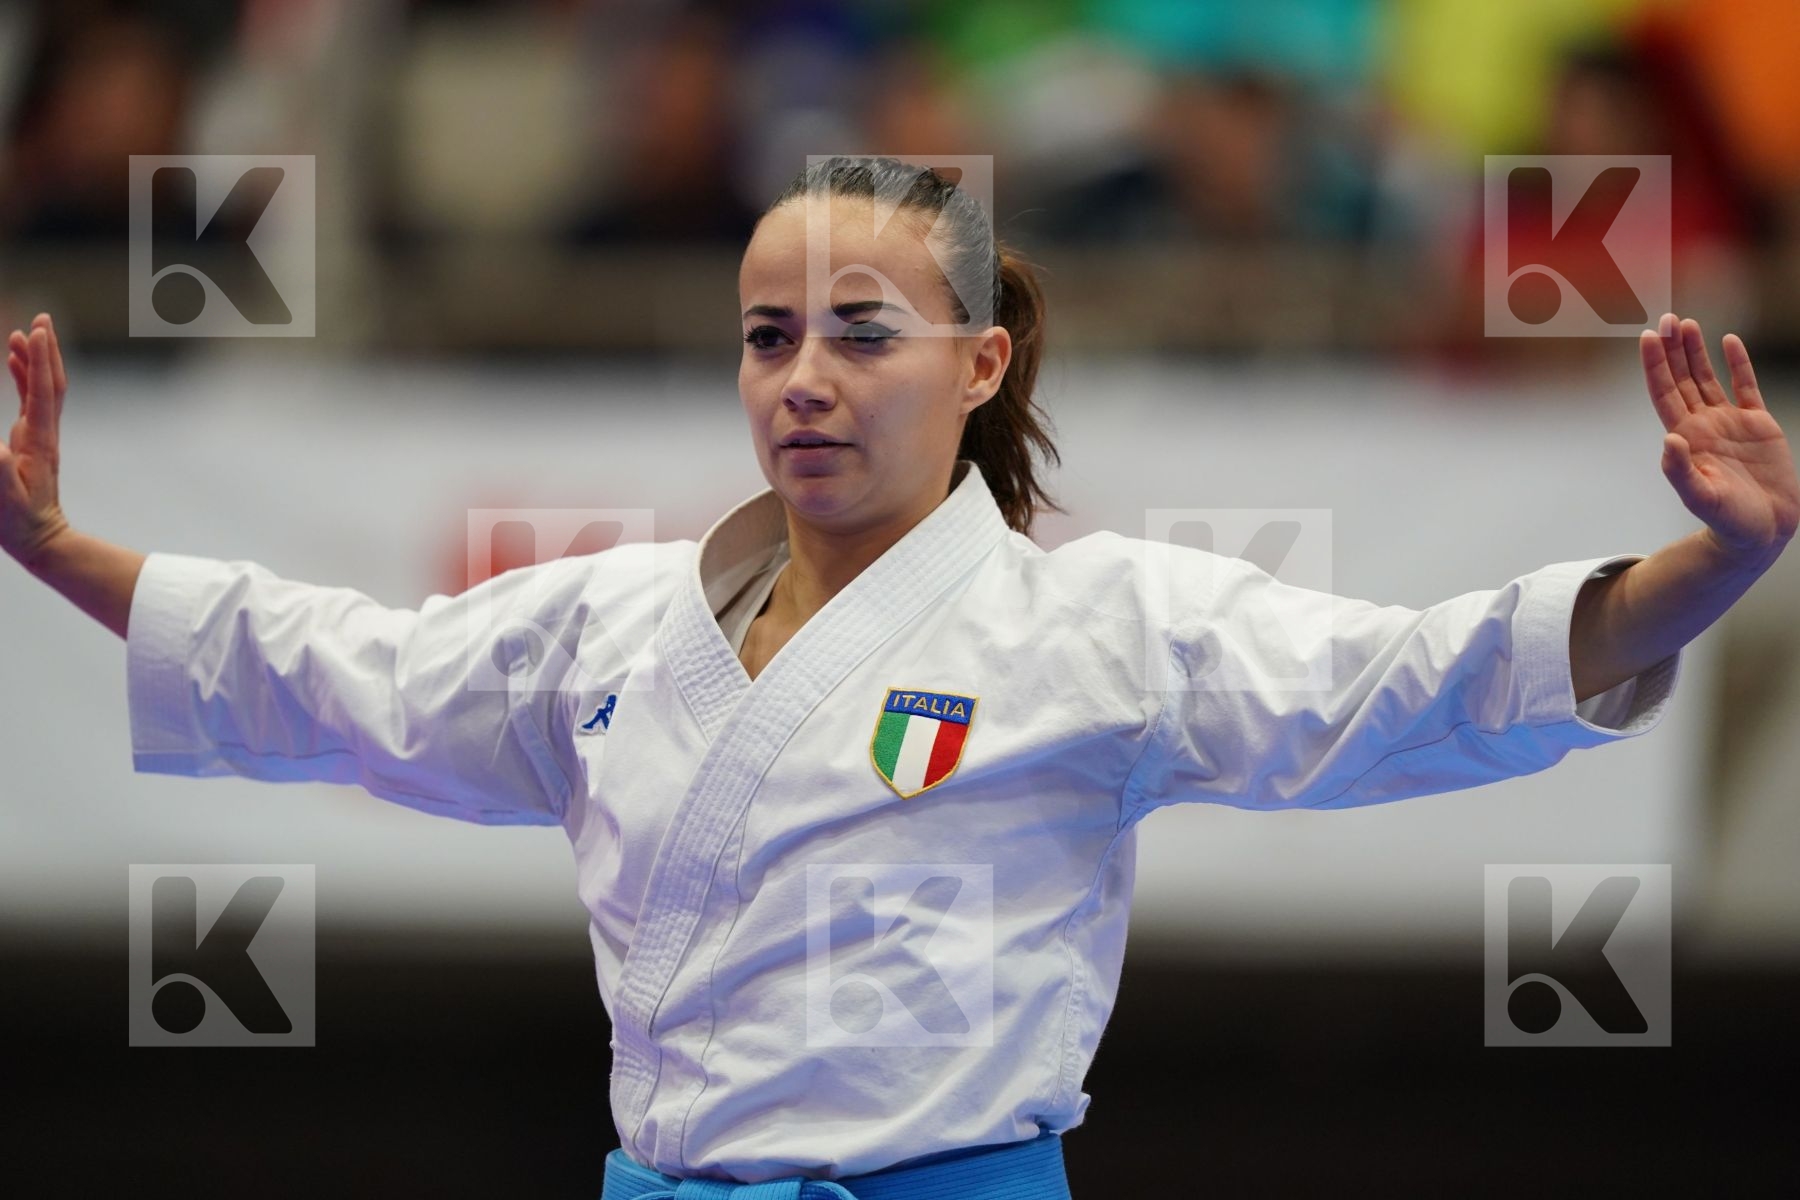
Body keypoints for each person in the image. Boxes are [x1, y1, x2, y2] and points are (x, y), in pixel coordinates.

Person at [5, 157, 1796, 1198]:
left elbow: (1414, 680)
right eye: (770, 337)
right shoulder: (612, 626)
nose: (805, 376)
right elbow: (346, 673)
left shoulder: (1097, 628)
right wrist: (59, 547)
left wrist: (1709, 562)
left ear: (977, 362)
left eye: (864, 335)